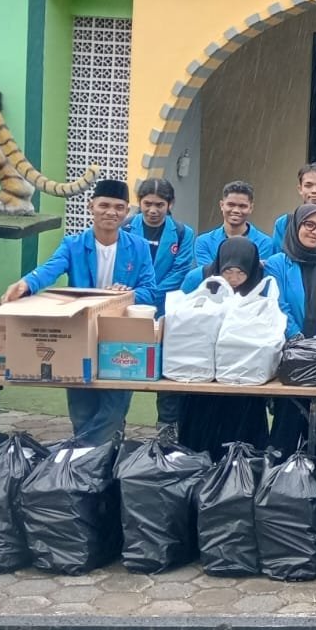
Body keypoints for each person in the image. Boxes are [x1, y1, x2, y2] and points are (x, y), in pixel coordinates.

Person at [2, 178, 158, 445]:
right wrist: (26, 283)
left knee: (114, 409)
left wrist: (125, 295)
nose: (111, 212)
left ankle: (81, 457)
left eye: (119, 207)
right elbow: (51, 268)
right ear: (91, 207)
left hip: (119, 338)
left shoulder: (138, 247)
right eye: (104, 205)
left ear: (126, 212)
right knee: (81, 410)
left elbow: (150, 289)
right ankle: (89, 466)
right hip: (78, 335)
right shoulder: (73, 244)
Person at [262, 204, 316, 457]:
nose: (315, 232)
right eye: (309, 225)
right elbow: (278, 305)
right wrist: (299, 343)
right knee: (287, 424)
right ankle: (282, 480)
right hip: (290, 356)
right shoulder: (277, 263)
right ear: (296, 226)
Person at [176, 238, 277, 458]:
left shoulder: (262, 284)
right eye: (228, 272)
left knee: (243, 436)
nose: (233, 280)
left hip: (243, 377)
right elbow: (178, 317)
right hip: (201, 377)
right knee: (198, 438)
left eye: (241, 273)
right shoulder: (199, 278)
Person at [126, 177, 195, 437]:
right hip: (130, 310)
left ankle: (167, 429)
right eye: (147, 204)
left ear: (170, 204)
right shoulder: (125, 229)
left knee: (168, 368)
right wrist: (136, 298)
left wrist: (149, 293)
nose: (153, 210)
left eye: (159, 204)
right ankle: (116, 426)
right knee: (125, 365)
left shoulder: (182, 233)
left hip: (167, 310)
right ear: (139, 203)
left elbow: (180, 271)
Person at [194, 180, 275, 265]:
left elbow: (258, 274)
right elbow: (207, 274)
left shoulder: (264, 242)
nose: (236, 210)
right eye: (231, 205)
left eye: (242, 206)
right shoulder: (204, 241)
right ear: (222, 205)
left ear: (251, 208)